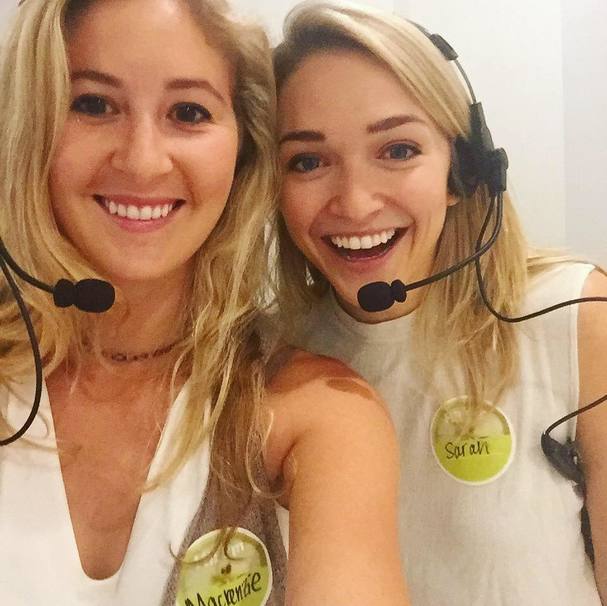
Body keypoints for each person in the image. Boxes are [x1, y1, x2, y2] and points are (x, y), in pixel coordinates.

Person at [0, 1, 410, 604]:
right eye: (93, 104)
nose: (142, 160)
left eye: (188, 112)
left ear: (244, 153)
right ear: (29, 126)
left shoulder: (319, 412)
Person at [272, 2, 607, 604]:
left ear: (463, 169)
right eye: (308, 161)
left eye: (397, 150)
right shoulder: (269, 360)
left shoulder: (576, 316)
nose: (355, 202)